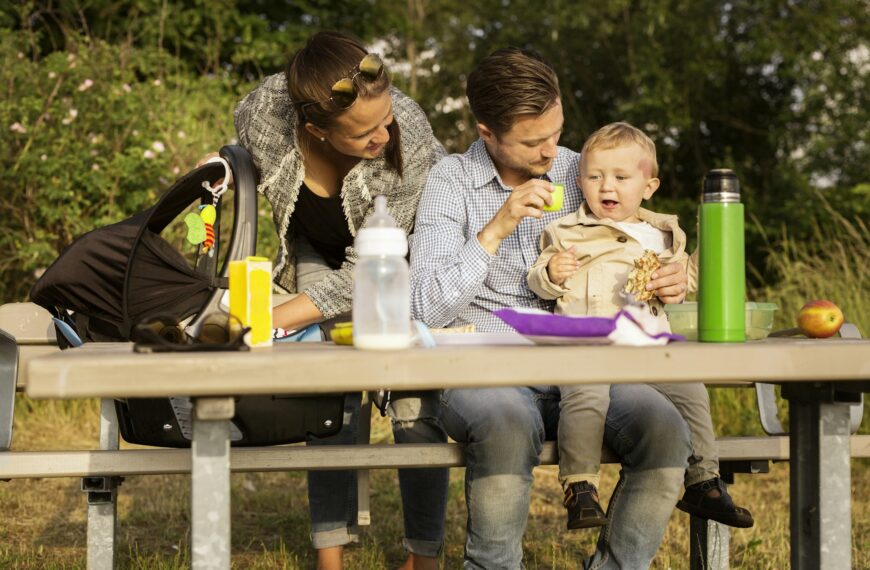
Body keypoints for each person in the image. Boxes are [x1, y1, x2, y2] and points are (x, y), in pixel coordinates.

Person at [410, 47, 693, 569]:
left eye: (556, 132)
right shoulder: (450, 182)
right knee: (507, 422)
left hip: (587, 366)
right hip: (484, 368)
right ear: (487, 133)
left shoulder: (585, 172)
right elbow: (425, 306)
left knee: (665, 428)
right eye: (533, 141)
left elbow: (645, 241)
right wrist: (495, 229)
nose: (552, 151)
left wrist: (671, 276)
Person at [230, 31, 448, 570]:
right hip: (314, 245)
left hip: (404, 257)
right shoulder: (264, 114)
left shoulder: (410, 132)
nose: (383, 134)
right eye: (364, 133)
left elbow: (370, 269)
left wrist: (273, 318)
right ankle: (331, 558)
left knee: (413, 404)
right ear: (314, 131)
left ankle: (424, 558)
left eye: (385, 119)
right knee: (330, 400)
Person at [527, 121, 754, 531]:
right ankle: (580, 487)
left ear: (649, 186)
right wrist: (553, 272)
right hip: (587, 345)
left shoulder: (663, 236)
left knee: (691, 391)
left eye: (620, 177)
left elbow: (690, 283)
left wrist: (680, 280)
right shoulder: (565, 231)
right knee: (584, 396)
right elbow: (539, 278)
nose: (606, 187)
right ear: (580, 182)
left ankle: (704, 481)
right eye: (594, 177)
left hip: (648, 346)